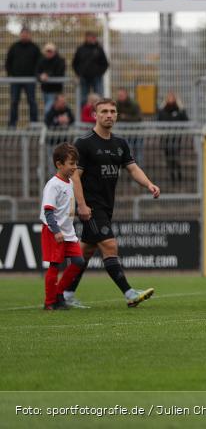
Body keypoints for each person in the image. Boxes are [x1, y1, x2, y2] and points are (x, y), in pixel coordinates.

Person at [55, 98, 158, 308]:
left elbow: (132, 168)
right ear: (95, 115)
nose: (109, 115)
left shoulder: (120, 143)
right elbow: (75, 177)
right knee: (110, 245)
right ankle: (129, 293)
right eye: (104, 111)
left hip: (107, 205)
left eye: (112, 111)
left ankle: (64, 294)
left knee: (84, 253)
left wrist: (148, 184)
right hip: (92, 206)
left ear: (117, 115)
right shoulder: (84, 143)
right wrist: (82, 205)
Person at [40, 143, 85, 310]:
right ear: (59, 164)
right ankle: (50, 302)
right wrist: (56, 230)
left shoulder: (70, 182)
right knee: (54, 265)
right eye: (71, 163)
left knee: (79, 261)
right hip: (54, 231)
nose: (74, 167)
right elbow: (48, 211)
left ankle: (59, 293)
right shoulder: (53, 185)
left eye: (75, 163)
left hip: (68, 231)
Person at [6, 27, 41, 126]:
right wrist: (10, 74)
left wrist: (35, 74)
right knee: (14, 102)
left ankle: (34, 124)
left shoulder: (35, 48)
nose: (24, 36)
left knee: (32, 101)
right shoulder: (14, 47)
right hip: (16, 80)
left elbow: (39, 63)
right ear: (20, 35)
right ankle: (12, 125)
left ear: (29, 35)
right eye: (23, 34)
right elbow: (8, 61)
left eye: (26, 34)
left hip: (30, 80)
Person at [157, 91, 189, 184]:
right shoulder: (163, 110)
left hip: (176, 138)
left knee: (176, 156)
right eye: (169, 98)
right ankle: (172, 175)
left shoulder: (179, 110)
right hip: (166, 138)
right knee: (168, 157)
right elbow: (158, 120)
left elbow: (185, 120)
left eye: (172, 98)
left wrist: (181, 107)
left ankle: (178, 173)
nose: (170, 99)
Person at [72, 31, 109, 103]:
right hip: (83, 77)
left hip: (96, 78)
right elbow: (74, 63)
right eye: (90, 37)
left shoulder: (99, 49)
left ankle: (99, 113)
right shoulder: (80, 49)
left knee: (99, 98)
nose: (92, 39)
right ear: (86, 38)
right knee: (83, 98)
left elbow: (105, 64)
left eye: (94, 37)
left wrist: (99, 73)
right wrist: (79, 73)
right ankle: (83, 113)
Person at [115, 88, 143, 165]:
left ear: (126, 95)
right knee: (129, 153)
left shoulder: (134, 104)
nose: (119, 97)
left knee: (138, 153)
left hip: (137, 133)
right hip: (125, 133)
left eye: (121, 95)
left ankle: (140, 170)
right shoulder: (117, 105)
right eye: (118, 95)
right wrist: (123, 117)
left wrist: (125, 117)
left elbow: (139, 117)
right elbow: (116, 117)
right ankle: (130, 171)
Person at [37, 42, 66, 116]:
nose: (49, 53)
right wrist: (40, 76)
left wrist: (47, 75)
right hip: (45, 90)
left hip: (55, 90)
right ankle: (52, 124)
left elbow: (59, 72)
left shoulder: (60, 60)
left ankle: (47, 124)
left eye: (50, 51)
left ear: (54, 51)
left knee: (48, 108)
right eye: (47, 51)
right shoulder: (41, 61)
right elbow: (37, 72)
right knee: (52, 109)